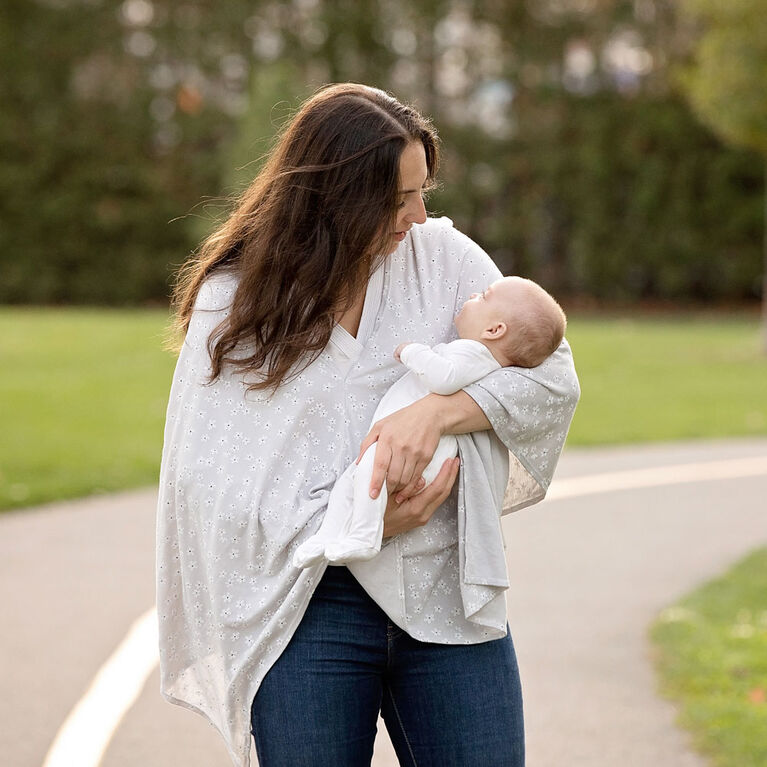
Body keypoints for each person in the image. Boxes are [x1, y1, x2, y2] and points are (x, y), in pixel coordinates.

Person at [156, 82, 580, 767]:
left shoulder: (444, 260)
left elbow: (550, 375)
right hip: (304, 606)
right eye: (394, 201)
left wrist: (438, 410)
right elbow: (208, 483)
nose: (415, 216)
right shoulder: (232, 300)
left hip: (445, 596)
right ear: (330, 200)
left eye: (421, 191)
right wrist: (359, 526)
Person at [293, 275, 567, 568]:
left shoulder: (475, 354)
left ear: (494, 329)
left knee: (366, 481)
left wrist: (413, 352)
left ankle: (363, 535)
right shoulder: (473, 353)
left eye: (484, 296)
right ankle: (326, 538)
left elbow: (444, 378)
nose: (474, 294)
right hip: (404, 443)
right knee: (350, 485)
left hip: (408, 447)